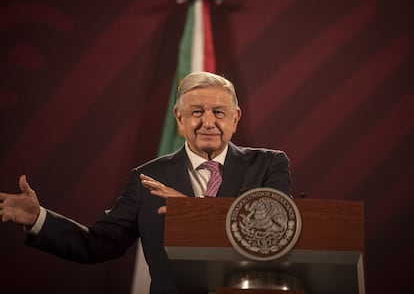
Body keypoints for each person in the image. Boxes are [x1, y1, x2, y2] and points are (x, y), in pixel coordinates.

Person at [0, 71, 292, 294]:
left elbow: (272, 238)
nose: (208, 122)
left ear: (235, 118)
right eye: (196, 112)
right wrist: (38, 219)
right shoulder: (148, 178)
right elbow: (99, 244)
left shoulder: (268, 165)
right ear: (179, 119)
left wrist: (190, 211)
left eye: (218, 112)